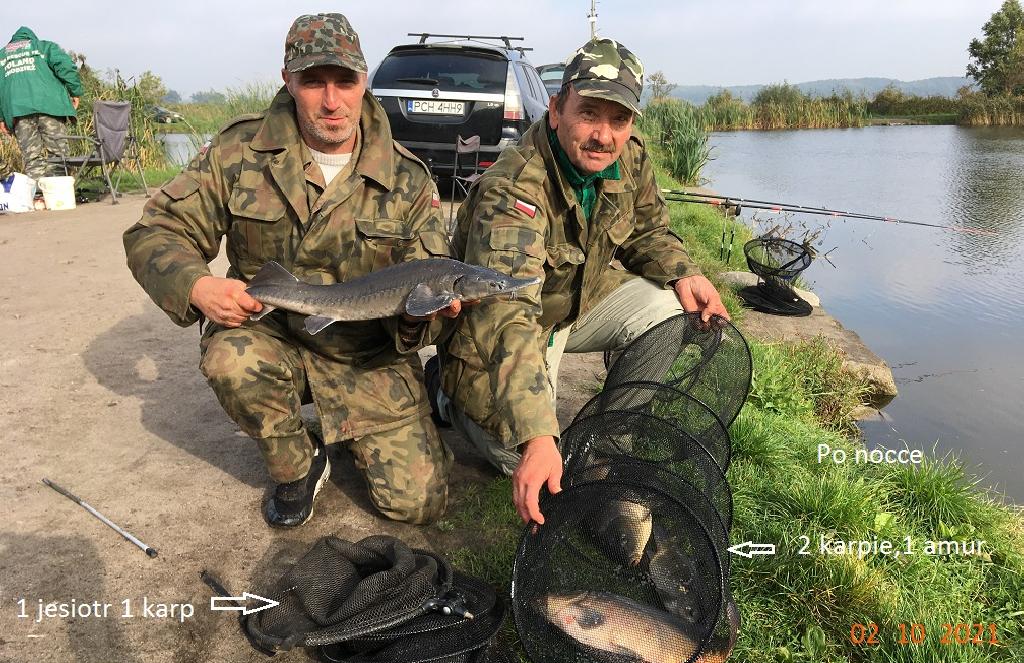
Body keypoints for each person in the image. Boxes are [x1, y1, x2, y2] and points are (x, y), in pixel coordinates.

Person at [125, 13, 459, 529]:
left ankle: (399, 410)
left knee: (419, 504)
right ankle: (300, 463)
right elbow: (155, 230)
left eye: (345, 81)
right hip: (272, 333)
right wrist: (197, 285)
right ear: (288, 80)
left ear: (364, 79)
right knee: (231, 360)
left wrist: (424, 318)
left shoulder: (407, 178)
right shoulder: (239, 151)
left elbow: (429, 304)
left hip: (366, 354)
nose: (332, 101)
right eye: (313, 82)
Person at [432, 38, 730, 526]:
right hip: (511, 326)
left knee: (670, 311)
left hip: (577, 302)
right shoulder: (514, 189)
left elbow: (649, 232)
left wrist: (684, 271)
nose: (603, 135)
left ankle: (608, 441)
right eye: (589, 114)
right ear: (556, 110)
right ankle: (447, 391)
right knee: (527, 458)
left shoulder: (629, 157)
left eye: (619, 119)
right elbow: (506, 314)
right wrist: (538, 437)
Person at [0, 26, 82, 180]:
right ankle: (58, 190)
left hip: (20, 113)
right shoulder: (44, 47)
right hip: (50, 108)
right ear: (31, 38)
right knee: (58, 154)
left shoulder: (2, 56)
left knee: (32, 157)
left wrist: (1, 118)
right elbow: (65, 66)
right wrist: (75, 91)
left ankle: (37, 191)